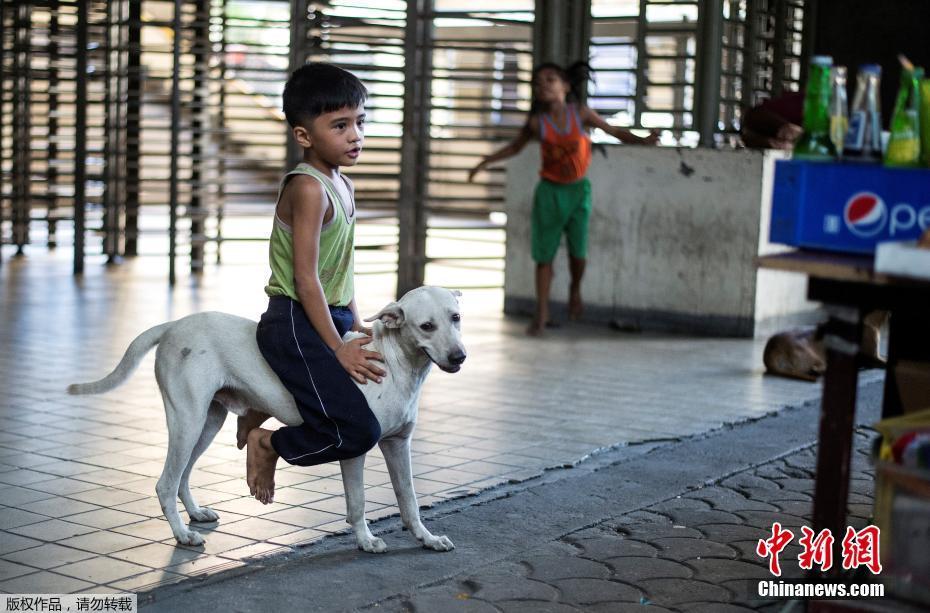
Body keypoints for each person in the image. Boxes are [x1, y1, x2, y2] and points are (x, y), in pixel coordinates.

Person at [240, 63, 386, 505]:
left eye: (360, 122)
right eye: (339, 125)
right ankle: (270, 444)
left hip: (329, 314)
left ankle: (258, 408)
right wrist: (337, 348)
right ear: (304, 136)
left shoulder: (344, 184)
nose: (354, 135)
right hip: (294, 322)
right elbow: (305, 279)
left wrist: (354, 320)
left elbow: (340, 263)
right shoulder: (308, 188)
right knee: (360, 431)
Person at [468, 62, 658, 336]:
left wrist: (641, 140)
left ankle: (575, 289)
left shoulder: (580, 114)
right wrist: (483, 162)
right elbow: (514, 147)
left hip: (578, 192)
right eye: (537, 82)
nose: (542, 85)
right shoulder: (537, 122)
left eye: (550, 79)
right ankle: (541, 313)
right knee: (544, 257)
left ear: (566, 86)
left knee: (578, 254)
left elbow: (614, 132)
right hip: (549, 192)